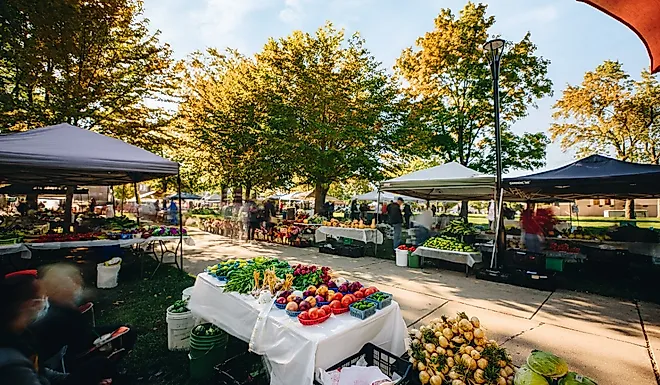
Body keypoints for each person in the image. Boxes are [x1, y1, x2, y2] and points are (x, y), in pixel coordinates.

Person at [0, 271, 113, 385]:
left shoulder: (22, 335)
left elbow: (42, 373)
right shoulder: (13, 363)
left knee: (99, 365)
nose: (45, 301)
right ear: (30, 305)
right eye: (41, 297)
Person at [29, 264, 136, 371]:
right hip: (66, 362)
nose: (76, 285)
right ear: (59, 289)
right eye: (71, 282)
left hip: (65, 355)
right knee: (127, 334)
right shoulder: (61, 315)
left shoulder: (56, 308)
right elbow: (82, 340)